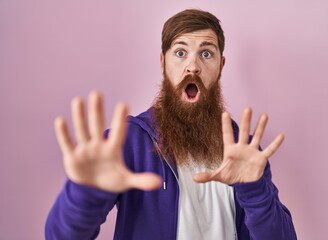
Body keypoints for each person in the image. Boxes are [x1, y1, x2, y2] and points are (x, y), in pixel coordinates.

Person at [45, 9, 297, 240]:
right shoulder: (127, 142)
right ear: (163, 63)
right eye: (180, 52)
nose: (193, 66)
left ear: (221, 66)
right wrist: (84, 194)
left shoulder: (243, 151)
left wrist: (254, 191)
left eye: (206, 53)